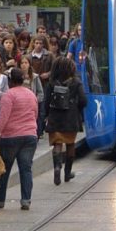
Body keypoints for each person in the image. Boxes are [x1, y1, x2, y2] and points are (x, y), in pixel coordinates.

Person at [0, 68, 39, 211]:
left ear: (10, 81)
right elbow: (35, 113)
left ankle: (0, 199)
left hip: (11, 138)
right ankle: (26, 200)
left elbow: (3, 118)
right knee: (26, 168)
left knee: (4, 169)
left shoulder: (9, 96)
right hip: (30, 136)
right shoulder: (31, 94)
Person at [44, 57, 87, 185]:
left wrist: (46, 115)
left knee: (57, 143)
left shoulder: (51, 83)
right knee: (70, 144)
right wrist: (76, 108)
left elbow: (46, 102)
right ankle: (67, 173)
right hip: (71, 117)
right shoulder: (76, 82)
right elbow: (84, 100)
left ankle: (57, 167)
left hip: (55, 117)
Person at [18, 55, 45, 136]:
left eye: (26, 63)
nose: (24, 65)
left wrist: (35, 100)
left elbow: (40, 93)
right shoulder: (16, 76)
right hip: (19, 103)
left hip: (31, 104)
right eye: (22, 63)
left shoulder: (35, 77)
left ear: (29, 64)